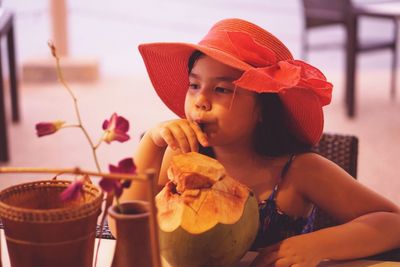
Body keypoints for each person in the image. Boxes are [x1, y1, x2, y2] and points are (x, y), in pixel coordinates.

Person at [120, 18, 400, 266]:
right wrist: (151, 143)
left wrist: (317, 245)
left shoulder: (299, 171)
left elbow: (393, 221)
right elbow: (122, 229)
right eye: (194, 85)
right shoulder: (183, 156)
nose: (200, 101)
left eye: (221, 89)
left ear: (264, 108)